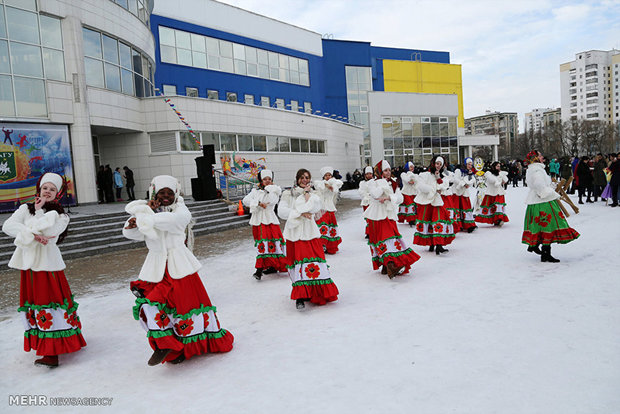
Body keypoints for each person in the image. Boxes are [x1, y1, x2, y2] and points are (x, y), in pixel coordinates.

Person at [123, 175, 234, 365]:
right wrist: (134, 222)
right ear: (154, 194)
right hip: (156, 266)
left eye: (169, 193)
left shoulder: (180, 209)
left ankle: (187, 347)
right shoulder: (148, 213)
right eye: (161, 193)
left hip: (178, 266)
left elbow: (176, 222)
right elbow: (131, 234)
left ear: (176, 194)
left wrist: (146, 216)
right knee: (152, 306)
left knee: (184, 309)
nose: (166, 196)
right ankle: (167, 344)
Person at [2, 173, 86, 367]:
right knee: (35, 304)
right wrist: (33, 236)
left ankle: (52, 352)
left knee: (50, 304)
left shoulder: (61, 215)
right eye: (45, 188)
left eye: (52, 189)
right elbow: (8, 226)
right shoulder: (25, 208)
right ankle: (45, 346)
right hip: (29, 265)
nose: (47, 192)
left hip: (48, 266)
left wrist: (39, 213)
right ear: (39, 189)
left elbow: (50, 234)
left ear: (58, 194)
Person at [278, 169, 339, 310]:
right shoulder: (288, 193)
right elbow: (282, 211)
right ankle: (300, 296)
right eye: (302, 177)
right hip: (294, 234)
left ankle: (316, 291)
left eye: (307, 177)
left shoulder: (314, 194)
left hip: (310, 233)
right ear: (297, 178)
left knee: (313, 263)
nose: (304, 180)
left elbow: (317, 207)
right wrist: (299, 212)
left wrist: (307, 194)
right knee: (297, 264)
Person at [364, 160, 420, 278]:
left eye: (389, 170)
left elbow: (400, 198)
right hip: (376, 215)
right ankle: (388, 265)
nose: (388, 172)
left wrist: (389, 197)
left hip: (389, 214)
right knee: (383, 238)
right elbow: (375, 194)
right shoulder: (372, 183)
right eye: (385, 170)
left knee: (391, 238)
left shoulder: (394, 183)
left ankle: (388, 265)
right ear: (380, 171)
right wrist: (383, 184)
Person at [522, 150, 580, 262]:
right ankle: (545, 253)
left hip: (536, 201)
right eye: (540, 155)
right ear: (535, 158)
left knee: (540, 226)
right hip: (543, 202)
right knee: (548, 226)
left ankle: (538, 247)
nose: (542, 156)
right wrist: (546, 192)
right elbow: (539, 186)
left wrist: (549, 187)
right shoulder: (537, 170)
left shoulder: (533, 169)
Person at [242, 169, 287, 280]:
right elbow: (245, 200)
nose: (267, 181)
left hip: (269, 221)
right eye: (265, 179)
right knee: (262, 244)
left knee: (269, 243)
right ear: (261, 180)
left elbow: (272, 201)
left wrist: (269, 190)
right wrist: (257, 203)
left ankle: (260, 269)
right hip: (258, 221)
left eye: (269, 179)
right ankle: (270, 266)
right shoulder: (255, 191)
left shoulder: (275, 191)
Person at [412, 156, 455, 255]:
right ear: (433, 163)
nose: (438, 166)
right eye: (437, 163)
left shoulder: (443, 176)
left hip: (437, 201)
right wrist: (434, 189)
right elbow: (421, 186)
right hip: (426, 202)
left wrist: (438, 178)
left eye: (440, 164)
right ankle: (431, 243)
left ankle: (439, 245)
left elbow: (444, 186)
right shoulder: (425, 174)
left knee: (438, 221)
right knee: (428, 221)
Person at [314, 166, 343, 254]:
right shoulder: (320, 183)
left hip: (330, 208)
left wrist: (331, 184)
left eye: (329, 175)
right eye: (326, 175)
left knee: (330, 227)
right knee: (323, 226)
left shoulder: (334, 183)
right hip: (322, 208)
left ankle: (330, 246)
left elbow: (339, 183)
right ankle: (322, 244)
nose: (328, 176)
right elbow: (316, 184)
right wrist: (326, 184)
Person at [475, 162, 509, 227]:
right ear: (493, 167)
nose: (499, 168)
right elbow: (492, 180)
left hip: (499, 192)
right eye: (497, 166)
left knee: (498, 206)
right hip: (491, 192)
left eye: (499, 166)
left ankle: (499, 219)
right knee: (492, 207)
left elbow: (505, 180)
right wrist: (499, 181)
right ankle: (494, 220)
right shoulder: (489, 173)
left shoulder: (500, 173)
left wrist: (502, 176)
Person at [453, 157, 477, 233]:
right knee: (457, 208)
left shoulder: (469, 172)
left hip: (464, 193)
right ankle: (457, 225)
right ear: (465, 164)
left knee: (466, 208)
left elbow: (472, 180)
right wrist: (463, 184)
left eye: (471, 164)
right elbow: (456, 179)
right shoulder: (458, 170)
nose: (470, 166)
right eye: (469, 164)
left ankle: (469, 225)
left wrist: (468, 183)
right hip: (456, 192)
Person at [398, 162, 418, 227]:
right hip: (406, 193)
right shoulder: (403, 174)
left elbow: (416, 181)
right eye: (410, 167)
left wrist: (413, 181)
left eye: (413, 167)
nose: (412, 168)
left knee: (413, 206)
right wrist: (410, 179)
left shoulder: (415, 175)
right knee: (410, 206)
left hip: (413, 193)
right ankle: (411, 220)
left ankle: (414, 219)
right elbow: (407, 180)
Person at [358, 166, 374, 238]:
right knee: (368, 218)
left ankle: (373, 231)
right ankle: (369, 232)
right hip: (366, 202)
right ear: (365, 175)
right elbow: (361, 192)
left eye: (370, 174)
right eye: (367, 174)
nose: (369, 175)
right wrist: (367, 195)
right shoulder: (362, 183)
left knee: (373, 217)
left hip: (373, 202)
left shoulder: (375, 182)